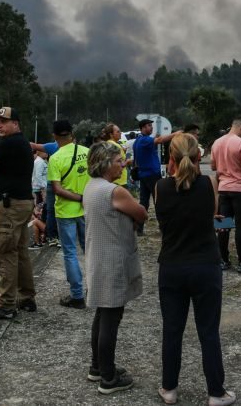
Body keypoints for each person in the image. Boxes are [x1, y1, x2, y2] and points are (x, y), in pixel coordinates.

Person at [155, 134, 236, 406]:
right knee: (208, 331)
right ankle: (216, 392)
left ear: (171, 159)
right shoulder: (208, 183)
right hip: (205, 265)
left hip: (172, 266)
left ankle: (169, 389)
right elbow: (209, 213)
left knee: (172, 329)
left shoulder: (159, 188)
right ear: (197, 156)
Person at [83, 141, 147, 395]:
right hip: (113, 260)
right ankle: (108, 378)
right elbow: (141, 213)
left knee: (102, 314)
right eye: (119, 161)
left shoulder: (91, 186)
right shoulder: (114, 191)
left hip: (98, 256)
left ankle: (97, 367)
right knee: (111, 317)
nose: (123, 164)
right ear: (106, 163)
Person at [0, 106, 37, 323]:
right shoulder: (21, 143)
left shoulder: (8, 144)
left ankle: (6, 306)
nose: (0, 125)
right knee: (20, 251)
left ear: (16, 124)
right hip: (23, 202)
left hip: (10, 206)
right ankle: (27, 297)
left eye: (4, 121)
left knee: (6, 253)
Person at [48, 119, 91, 308]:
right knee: (90, 251)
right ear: (72, 134)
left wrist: (77, 198)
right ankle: (96, 291)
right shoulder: (87, 152)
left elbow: (57, 189)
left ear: (55, 136)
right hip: (87, 210)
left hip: (66, 212)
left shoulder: (55, 158)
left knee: (70, 254)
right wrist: (84, 198)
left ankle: (77, 296)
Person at [210, 118, 241, 273]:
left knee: (223, 226)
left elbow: (213, 166)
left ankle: (222, 260)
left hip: (224, 188)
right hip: (240, 189)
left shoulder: (216, 143)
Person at [133, 119, 177, 233]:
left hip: (143, 175)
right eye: (148, 126)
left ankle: (139, 228)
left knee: (143, 202)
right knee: (159, 201)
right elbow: (161, 140)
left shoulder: (137, 141)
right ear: (142, 128)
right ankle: (163, 227)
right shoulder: (144, 140)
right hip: (152, 174)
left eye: (151, 125)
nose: (151, 128)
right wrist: (176, 134)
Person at [99, 123, 129, 187]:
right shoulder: (116, 146)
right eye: (118, 131)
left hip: (111, 179)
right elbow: (121, 163)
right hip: (119, 179)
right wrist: (129, 161)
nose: (120, 133)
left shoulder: (107, 144)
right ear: (111, 134)